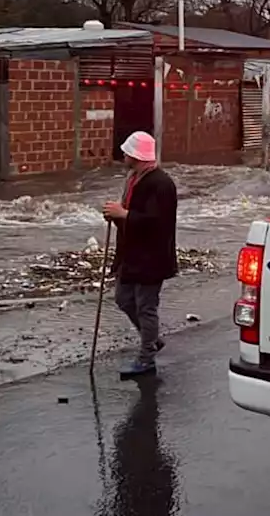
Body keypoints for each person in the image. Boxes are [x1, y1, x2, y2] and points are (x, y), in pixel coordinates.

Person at [102, 131, 178, 378]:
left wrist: (124, 215)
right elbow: (130, 214)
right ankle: (152, 339)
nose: (123, 155)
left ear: (136, 155)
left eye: (126, 152)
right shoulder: (133, 178)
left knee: (146, 307)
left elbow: (159, 223)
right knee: (124, 299)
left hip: (151, 258)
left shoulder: (161, 184)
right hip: (131, 254)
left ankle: (146, 358)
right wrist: (116, 217)